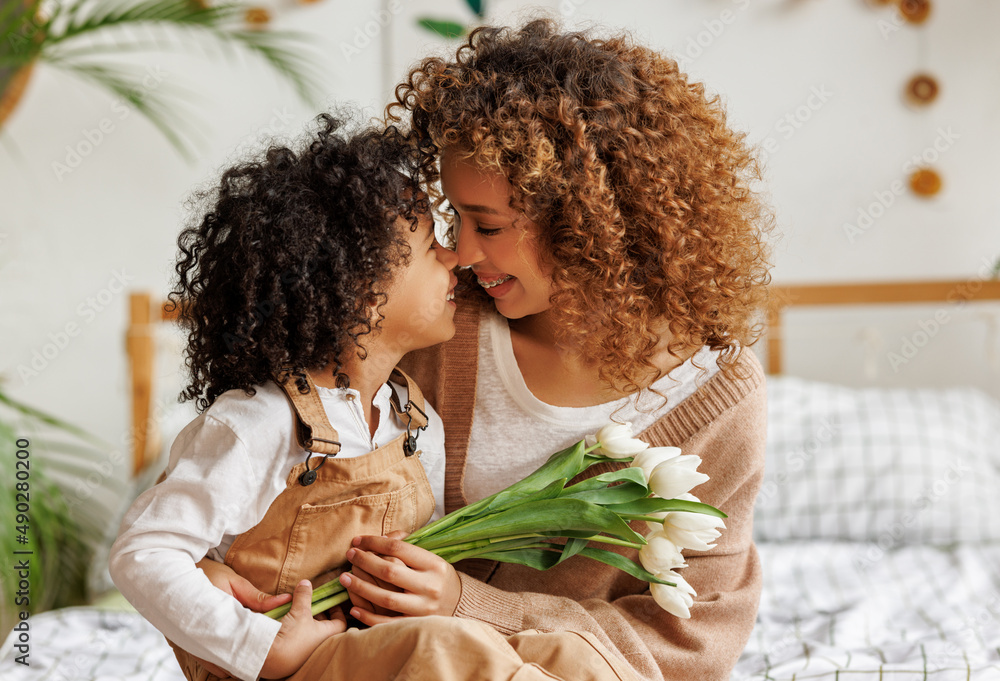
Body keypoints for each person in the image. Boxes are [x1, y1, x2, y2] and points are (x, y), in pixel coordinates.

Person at [192, 18, 775, 681]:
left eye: (489, 225)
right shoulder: (433, 325)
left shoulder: (716, 398)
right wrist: (204, 568)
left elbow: (689, 643)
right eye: (455, 219)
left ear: (594, 221)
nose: (463, 254)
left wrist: (470, 603)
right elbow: (244, 463)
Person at [108, 114, 460, 681]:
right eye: (430, 248)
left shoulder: (416, 424)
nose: (455, 257)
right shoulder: (259, 423)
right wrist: (261, 648)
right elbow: (143, 554)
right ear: (362, 294)